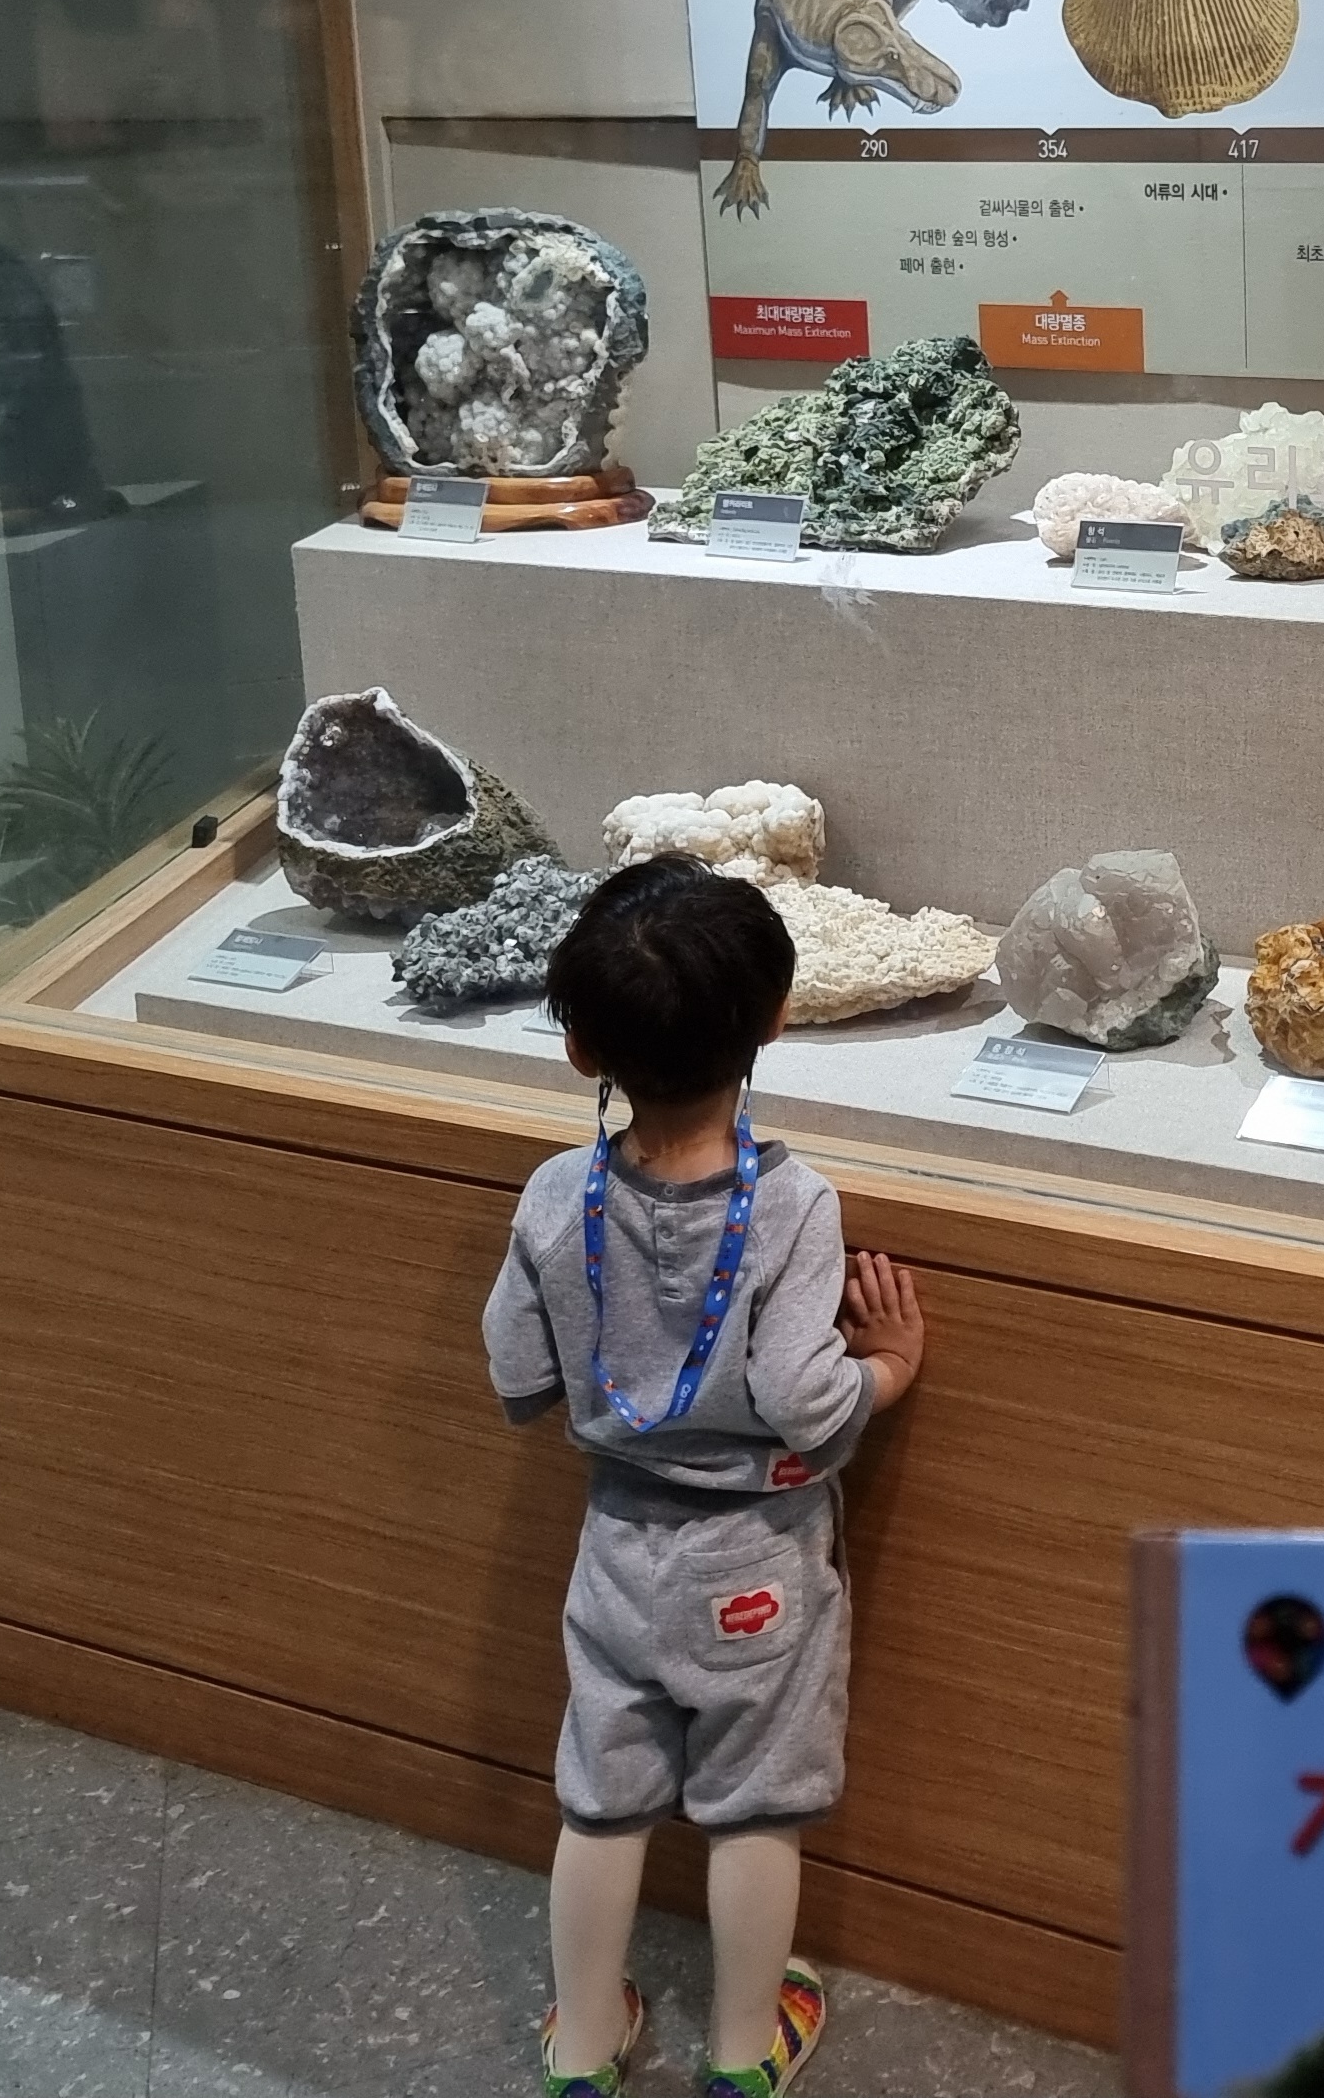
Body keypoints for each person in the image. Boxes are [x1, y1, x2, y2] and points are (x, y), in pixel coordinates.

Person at [484, 854, 927, 2098]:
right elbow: (802, 1395)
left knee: (600, 1798)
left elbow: (516, 1369)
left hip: (618, 1550)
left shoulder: (557, 1192)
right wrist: (888, 1370)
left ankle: (584, 2045)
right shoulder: (792, 1204)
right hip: (759, 1564)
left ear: (581, 1048)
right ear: (776, 1021)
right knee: (756, 1806)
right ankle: (741, 2053)